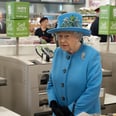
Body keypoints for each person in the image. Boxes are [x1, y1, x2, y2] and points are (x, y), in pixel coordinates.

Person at [47, 12, 102, 116]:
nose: (62, 40)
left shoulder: (92, 55)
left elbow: (93, 89)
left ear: (78, 36)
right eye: (59, 36)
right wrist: (53, 103)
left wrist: (70, 110)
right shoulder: (58, 52)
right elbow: (51, 83)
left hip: (84, 113)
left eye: (67, 36)